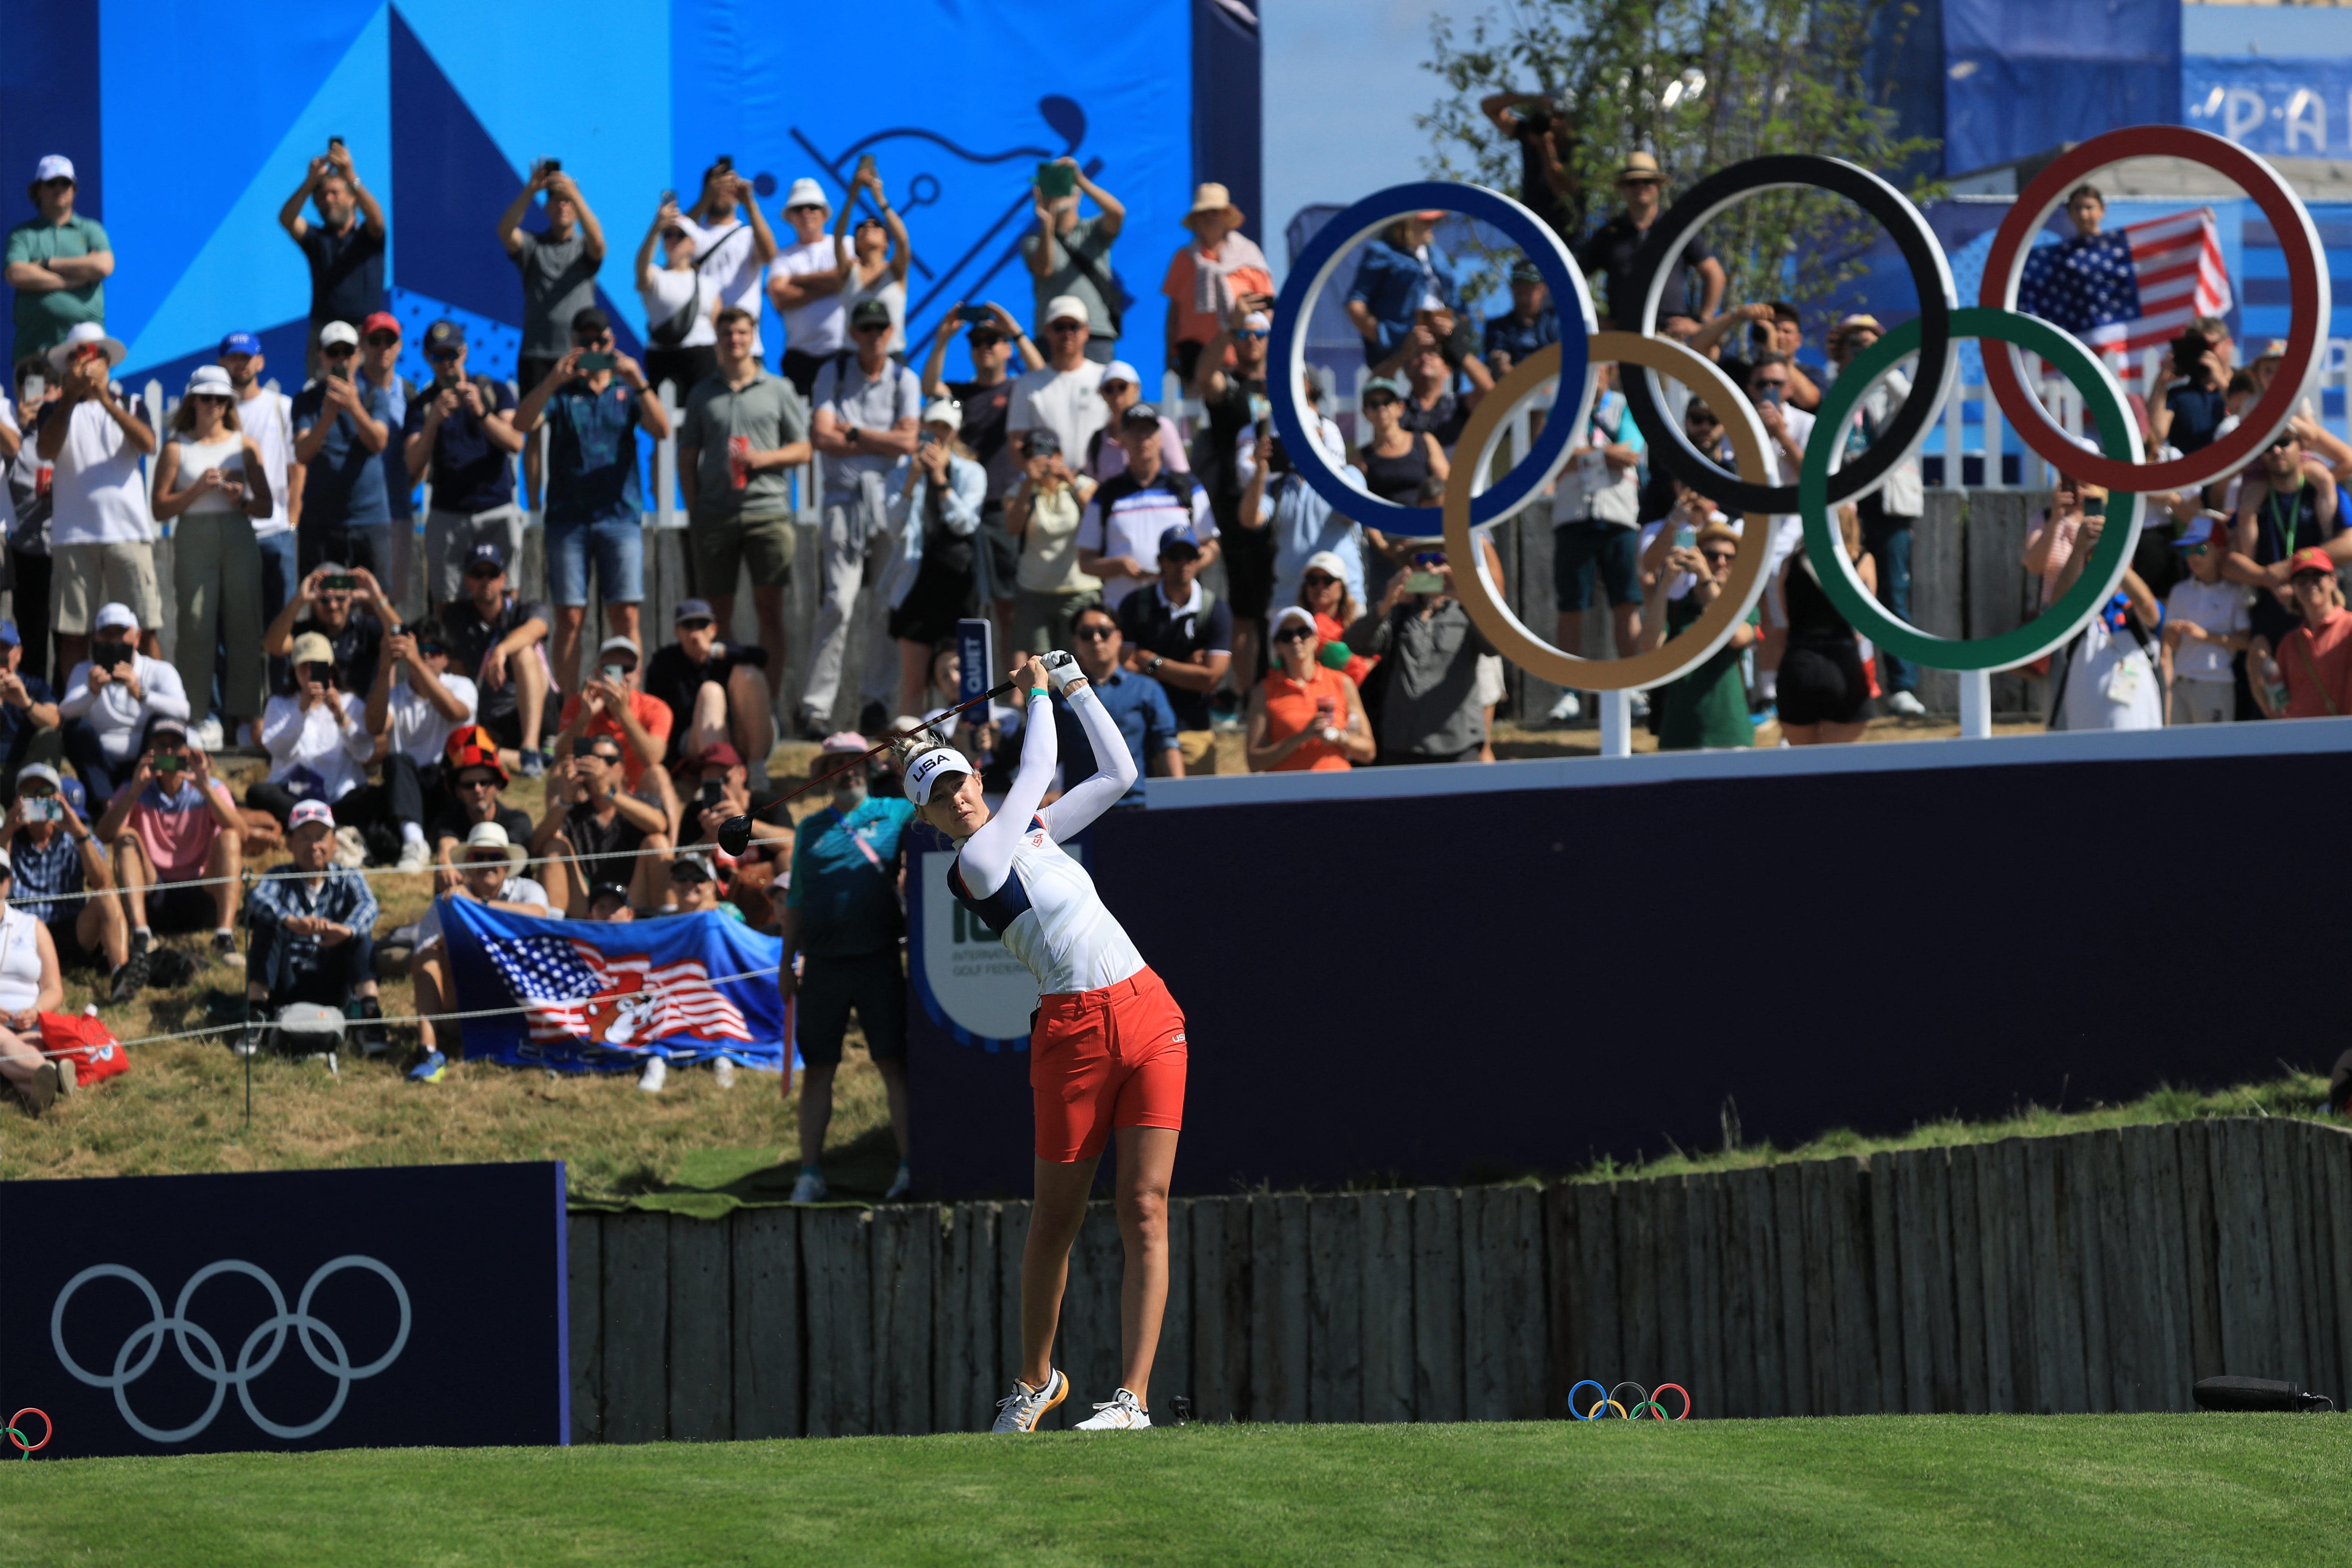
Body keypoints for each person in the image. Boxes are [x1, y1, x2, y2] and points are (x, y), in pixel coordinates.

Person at [900, 653, 1183, 1431]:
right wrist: (1033, 688)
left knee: (1146, 1207)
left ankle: (1132, 1400)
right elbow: (1043, 760)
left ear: (974, 776)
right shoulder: (977, 863)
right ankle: (1035, 1381)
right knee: (1055, 1218)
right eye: (936, 795)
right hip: (1074, 1033)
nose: (956, 797)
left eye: (958, 779)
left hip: (1151, 1012)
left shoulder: (1034, 828)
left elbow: (1119, 770)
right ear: (924, 817)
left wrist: (1078, 683)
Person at [780, 731, 919, 1202]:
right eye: (838, 762)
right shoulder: (809, 828)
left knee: (892, 1065)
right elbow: (795, 900)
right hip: (821, 965)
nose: (849, 769)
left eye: (856, 760)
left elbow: (928, 804)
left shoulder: (894, 810)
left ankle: (907, 1167)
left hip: (878, 957)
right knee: (818, 1069)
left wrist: (905, 754)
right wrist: (786, 962)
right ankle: (810, 1173)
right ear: (824, 774)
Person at [511, 309, 669, 693]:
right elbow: (520, 424)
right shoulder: (562, 395)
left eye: (601, 342)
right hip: (568, 520)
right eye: (586, 342)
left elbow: (662, 430)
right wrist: (552, 380)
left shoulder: (627, 391)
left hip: (621, 517)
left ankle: (628, 706)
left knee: (625, 614)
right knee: (569, 618)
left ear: (613, 343)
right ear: (574, 345)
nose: (594, 348)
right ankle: (567, 712)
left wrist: (640, 381)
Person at [676, 307, 810, 705]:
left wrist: (763, 460)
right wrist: (695, 508)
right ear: (717, 340)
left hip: (768, 512)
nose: (734, 340)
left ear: (753, 336)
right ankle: (737, 698)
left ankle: (766, 702)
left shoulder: (779, 389)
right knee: (717, 615)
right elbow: (687, 456)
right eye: (727, 334)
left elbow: (803, 449)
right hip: (716, 515)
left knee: (770, 610)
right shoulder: (703, 393)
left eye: (741, 332)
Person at [803, 299, 924, 737]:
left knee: (884, 605)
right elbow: (820, 436)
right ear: (854, 332)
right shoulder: (833, 374)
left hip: (890, 501)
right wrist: (880, 442)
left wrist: (852, 433)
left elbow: (910, 440)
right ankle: (816, 707)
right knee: (839, 600)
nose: (874, 334)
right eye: (866, 327)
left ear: (890, 333)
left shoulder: (903, 378)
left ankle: (875, 700)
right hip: (843, 498)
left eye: (880, 328)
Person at [153, 365, 274, 749]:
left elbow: (268, 506)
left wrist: (243, 499)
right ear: (193, 401)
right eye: (207, 398)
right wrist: (196, 490)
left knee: (245, 624)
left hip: (238, 533)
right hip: (193, 535)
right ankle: (197, 716)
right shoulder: (176, 446)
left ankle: (245, 717)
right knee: (195, 625)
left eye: (222, 399)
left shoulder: (244, 444)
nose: (215, 406)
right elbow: (159, 508)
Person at [38, 322, 158, 675]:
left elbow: (148, 444)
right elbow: (46, 451)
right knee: (74, 635)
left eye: (93, 356)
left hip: (128, 533)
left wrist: (105, 399)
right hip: (73, 537)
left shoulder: (132, 403)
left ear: (107, 362)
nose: (86, 363)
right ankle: (74, 720)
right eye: (78, 356)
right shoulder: (54, 410)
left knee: (145, 630)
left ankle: (155, 713)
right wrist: (70, 398)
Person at [1825, 314, 1927, 715]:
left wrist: (1882, 366)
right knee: (1842, 593)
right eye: (1855, 345)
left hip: (1888, 502)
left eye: (1869, 343)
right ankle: (1850, 682)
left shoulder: (1892, 387)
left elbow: (1913, 404)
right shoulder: (1834, 390)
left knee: (1893, 595)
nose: (1862, 351)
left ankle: (1902, 686)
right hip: (1846, 503)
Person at [406, 820, 551, 1083]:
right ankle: (427, 1050)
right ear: (468, 863)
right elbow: (420, 958)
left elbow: (540, 915)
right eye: (478, 856)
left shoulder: (528, 890)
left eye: (494, 856)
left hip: (518, 1004)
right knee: (428, 957)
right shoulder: (447, 903)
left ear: (507, 864)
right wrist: (452, 935)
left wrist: (478, 906)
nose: (486, 863)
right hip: (462, 1002)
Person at [240, 799, 384, 1057]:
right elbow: (257, 899)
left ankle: (371, 1016)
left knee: (359, 932)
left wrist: (345, 930)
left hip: (333, 978)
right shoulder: (278, 875)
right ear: (289, 844)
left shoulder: (348, 876)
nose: (314, 846)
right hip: (287, 978)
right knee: (268, 924)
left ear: (334, 843)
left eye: (321, 838)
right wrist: (291, 921)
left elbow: (370, 906)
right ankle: (256, 1016)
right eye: (305, 838)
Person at [96, 717, 243, 961]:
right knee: (125, 836)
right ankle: (141, 935)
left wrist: (205, 788)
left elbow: (242, 833)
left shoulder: (212, 787)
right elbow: (103, 835)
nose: (168, 751)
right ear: (149, 752)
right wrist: (134, 791)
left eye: (175, 745)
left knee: (229, 837)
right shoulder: (133, 789)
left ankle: (224, 937)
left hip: (202, 891)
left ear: (188, 751)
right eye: (161, 745)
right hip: (156, 894)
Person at [1546, 367, 1646, 720]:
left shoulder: (1625, 406)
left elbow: (1632, 452)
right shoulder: (1562, 410)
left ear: (1611, 373)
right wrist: (1603, 455)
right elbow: (1551, 460)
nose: (1592, 377)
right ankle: (1569, 692)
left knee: (1627, 603)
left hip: (1618, 516)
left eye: (1599, 370)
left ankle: (1635, 686)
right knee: (1571, 607)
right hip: (1573, 518)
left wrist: (1582, 456)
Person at [404, 321, 525, 610]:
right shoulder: (421, 405)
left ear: (465, 353)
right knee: (447, 603)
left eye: (452, 355)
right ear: (427, 358)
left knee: (505, 599)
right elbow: (412, 464)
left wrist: (482, 413)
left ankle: (501, 656)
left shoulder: (495, 390)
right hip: (448, 514)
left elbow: (515, 442)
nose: (446, 364)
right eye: (438, 357)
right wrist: (433, 422)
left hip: (497, 509)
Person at [880, 401, 987, 718]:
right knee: (915, 682)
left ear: (954, 432)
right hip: (916, 585)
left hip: (958, 586)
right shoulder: (900, 474)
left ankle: (966, 756)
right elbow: (893, 529)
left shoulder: (971, 472)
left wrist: (941, 480)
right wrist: (912, 483)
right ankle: (913, 757)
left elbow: (966, 523)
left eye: (945, 427)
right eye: (932, 426)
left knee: (964, 682)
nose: (937, 434)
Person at [1343, 548, 1498, 765]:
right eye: (1420, 560)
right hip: (1402, 743)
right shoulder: (1397, 614)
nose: (1428, 567)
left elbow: (1494, 648)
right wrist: (1387, 603)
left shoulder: (1466, 610)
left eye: (1437, 560)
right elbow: (1356, 644)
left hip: (1457, 743)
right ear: (1409, 569)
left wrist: (1467, 597)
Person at [218, 330, 304, 719]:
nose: (241, 364)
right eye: (234, 358)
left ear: (261, 362)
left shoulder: (280, 406)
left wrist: (292, 518)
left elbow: (295, 466)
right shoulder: (216, 411)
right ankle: (237, 718)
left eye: (247, 357)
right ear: (223, 363)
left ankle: (281, 710)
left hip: (276, 535)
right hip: (232, 536)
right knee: (232, 632)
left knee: (279, 632)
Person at [1188, 305, 1272, 686]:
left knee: (1282, 601)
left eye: (1258, 334)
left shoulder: (1292, 383)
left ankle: (1281, 689)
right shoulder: (1231, 385)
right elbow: (1204, 377)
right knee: (1243, 609)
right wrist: (1229, 326)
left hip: (1282, 504)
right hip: (1236, 507)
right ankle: (1247, 695)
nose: (1251, 341)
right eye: (1244, 336)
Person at [8, 762, 134, 1000]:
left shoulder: (75, 835)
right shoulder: (9, 839)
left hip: (71, 931)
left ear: (58, 798)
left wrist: (78, 832)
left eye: (45, 794)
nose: (38, 801)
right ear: (17, 799)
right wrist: (7, 831)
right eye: (29, 795)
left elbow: (102, 881)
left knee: (106, 897)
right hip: (23, 936)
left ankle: (122, 977)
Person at [1076, 405, 1217, 614]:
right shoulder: (1106, 494)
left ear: (1161, 439)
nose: (1142, 438)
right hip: (1121, 609)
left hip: (1177, 611)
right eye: (1134, 432)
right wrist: (1119, 566)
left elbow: (1211, 546)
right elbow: (1086, 561)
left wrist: (1180, 569)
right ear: (1122, 440)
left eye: (1149, 431)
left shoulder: (1188, 487)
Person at [2232, 430, 2349, 679]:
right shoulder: (2253, 499)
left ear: (2301, 447)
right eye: (2268, 445)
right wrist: (2267, 578)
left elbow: (2350, 543)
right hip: (2272, 619)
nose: (2276, 451)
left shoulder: (2320, 488)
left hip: (2322, 614)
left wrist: (2290, 570)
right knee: (2270, 690)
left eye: (2284, 443)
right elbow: (2230, 563)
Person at [361, 620, 476, 871]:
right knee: (396, 762)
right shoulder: (397, 694)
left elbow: (455, 712)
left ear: (446, 659)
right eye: (419, 649)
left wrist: (415, 662)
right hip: (407, 789)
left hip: (446, 786)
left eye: (433, 652)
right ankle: (414, 842)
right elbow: (374, 726)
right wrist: (384, 669)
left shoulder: (461, 686)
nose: (425, 656)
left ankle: (418, 839)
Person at [290, 320, 396, 579]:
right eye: (333, 352)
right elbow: (302, 453)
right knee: (327, 600)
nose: (340, 359)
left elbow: (379, 442)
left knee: (373, 600)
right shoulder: (307, 400)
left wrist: (353, 406)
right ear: (321, 357)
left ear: (358, 355)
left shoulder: (374, 396)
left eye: (347, 352)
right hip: (322, 522)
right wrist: (327, 416)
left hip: (370, 518)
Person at [1117, 527, 1231, 768]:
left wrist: (1154, 664)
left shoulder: (1215, 610)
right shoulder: (1135, 605)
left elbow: (1211, 679)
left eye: (1190, 556)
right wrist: (1187, 672)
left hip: (1194, 730)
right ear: (1161, 562)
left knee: (1195, 803)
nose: (1183, 563)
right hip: (1141, 730)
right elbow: (1124, 667)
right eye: (1174, 556)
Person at [59, 603, 188, 811]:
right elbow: (64, 714)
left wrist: (141, 694)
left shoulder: (160, 671)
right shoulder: (84, 671)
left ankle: (160, 800)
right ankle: (107, 807)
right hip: (100, 767)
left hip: (146, 762)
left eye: (121, 634)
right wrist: (92, 692)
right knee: (76, 728)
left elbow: (184, 712)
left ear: (137, 638)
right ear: (95, 639)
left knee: (166, 725)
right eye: (107, 634)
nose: (114, 641)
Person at [496, 162, 607, 407]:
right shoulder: (533, 246)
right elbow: (505, 231)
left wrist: (574, 194)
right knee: (535, 427)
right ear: (546, 207)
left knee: (586, 417)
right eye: (557, 200)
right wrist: (531, 190)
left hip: (584, 354)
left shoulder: (584, 248)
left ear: (578, 207)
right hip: (536, 353)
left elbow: (599, 244)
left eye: (568, 200)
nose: (563, 205)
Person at [1573, 151, 1725, 328]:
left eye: (1647, 181)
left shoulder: (1677, 228)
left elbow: (1714, 274)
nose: (1640, 187)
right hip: (1623, 333)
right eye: (1632, 182)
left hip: (1670, 331)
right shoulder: (1609, 234)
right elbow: (1576, 278)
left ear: (1658, 186)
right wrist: (1596, 320)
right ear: (1623, 188)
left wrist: (1701, 321)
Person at [1641, 520, 1756, 751]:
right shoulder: (1676, 608)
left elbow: (1738, 636)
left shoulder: (1741, 605)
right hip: (1679, 734)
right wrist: (1664, 584)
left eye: (1729, 557)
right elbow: (1649, 647)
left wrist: (1706, 578)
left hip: (1729, 732)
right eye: (1712, 556)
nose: (1721, 562)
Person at [437, 542, 551, 774]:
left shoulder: (526, 610)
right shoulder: (457, 617)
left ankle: (530, 748)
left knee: (524, 651)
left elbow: (538, 628)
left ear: (503, 579)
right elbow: (456, 670)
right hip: (489, 717)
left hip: (536, 713)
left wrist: (501, 651)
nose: (486, 581)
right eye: (478, 574)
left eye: (493, 574)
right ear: (467, 580)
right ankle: (532, 758)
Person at [1053, 605, 1180, 807]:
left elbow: (1166, 744)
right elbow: (1047, 755)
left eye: (1104, 632)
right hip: (1079, 812)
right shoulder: (1059, 697)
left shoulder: (1146, 689)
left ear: (1119, 637)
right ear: (1076, 642)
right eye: (1087, 634)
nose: (1097, 639)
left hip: (1137, 806)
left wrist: (1178, 800)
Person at [532, 735, 672, 917]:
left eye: (609, 761)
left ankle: (671, 926)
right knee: (555, 846)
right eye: (594, 760)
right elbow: (536, 848)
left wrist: (607, 793)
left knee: (658, 842)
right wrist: (566, 799)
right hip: (588, 903)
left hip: (633, 901)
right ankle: (553, 934)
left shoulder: (643, 801)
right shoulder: (573, 812)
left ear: (622, 768)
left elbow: (659, 825)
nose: (601, 767)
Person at [1774, 506, 1878, 746]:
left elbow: (1785, 620)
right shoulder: (1863, 561)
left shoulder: (1789, 563)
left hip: (1798, 661)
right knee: (1840, 765)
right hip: (1843, 662)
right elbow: (1865, 623)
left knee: (1804, 764)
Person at [278, 145, 387, 371]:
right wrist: (311, 182)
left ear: (352, 199)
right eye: (322, 195)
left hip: (365, 334)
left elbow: (377, 221)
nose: (328, 199)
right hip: (325, 334)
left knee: (367, 398)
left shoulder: (368, 236)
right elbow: (287, 219)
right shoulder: (317, 239)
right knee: (319, 399)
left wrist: (349, 175)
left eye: (335, 193)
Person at [248, 631, 373, 829]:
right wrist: (301, 710)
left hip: (339, 795)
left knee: (371, 796)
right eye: (303, 667)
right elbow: (277, 750)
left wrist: (341, 717)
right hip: (293, 793)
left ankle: (319, 823)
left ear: (330, 670)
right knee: (258, 793)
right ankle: (314, 822)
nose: (310, 673)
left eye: (317, 667)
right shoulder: (279, 704)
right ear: (294, 670)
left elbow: (364, 754)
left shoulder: (350, 703)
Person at [7, 155, 113, 370]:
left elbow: (103, 266)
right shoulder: (23, 234)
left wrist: (47, 264)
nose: (60, 188)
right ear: (38, 190)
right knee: (34, 405)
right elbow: (16, 274)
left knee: (88, 405)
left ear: (74, 189)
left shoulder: (91, 230)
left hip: (85, 354)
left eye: (65, 183)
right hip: (35, 354)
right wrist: (71, 281)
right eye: (51, 183)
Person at [643, 598, 774, 774]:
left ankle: (757, 768)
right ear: (677, 632)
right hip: (695, 739)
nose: (696, 633)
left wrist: (715, 652)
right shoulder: (665, 662)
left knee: (749, 672)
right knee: (711, 692)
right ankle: (716, 778)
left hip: (743, 735)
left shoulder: (725, 652)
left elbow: (762, 657)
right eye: (688, 625)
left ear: (714, 630)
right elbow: (657, 710)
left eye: (702, 625)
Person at [1245, 433, 1366, 622]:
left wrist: (1318, 466)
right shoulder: (1277, 485)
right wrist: (1261, 469)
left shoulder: (1348, 474)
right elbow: (1250, 520)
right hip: (1288, 601)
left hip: (1343, 603)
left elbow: (1353, 513)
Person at [1004, 430, 1101, 655]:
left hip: (1080, 590)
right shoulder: (1017, 492)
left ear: (1060, 455)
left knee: (1079, 666)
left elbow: (1098, 520)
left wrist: (1070, 480)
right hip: (1034, 592)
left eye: (1047, 452)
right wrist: (1029, 483)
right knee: (1041, 665)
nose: (1040, 459)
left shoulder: (1084, 485)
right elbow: (1013, 527)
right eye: (1031, 454)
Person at [1027, 157, 1128, 366]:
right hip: (1051, 336)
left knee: (1099, 397)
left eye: (1063, 186)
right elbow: (1044, 268)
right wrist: (1047, 221)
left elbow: (1118, 214)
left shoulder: (1094, 231)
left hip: (1095, 332)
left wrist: (1081, 180)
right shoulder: (1033, 241)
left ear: (1078, 195)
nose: (1057, 194)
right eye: (1051, 188)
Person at [678, 159, 780, 365]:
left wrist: (750, 204)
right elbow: (674, 232)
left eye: (729, 186)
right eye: (718, 186)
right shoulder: (691, 234)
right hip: (701, 343)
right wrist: (706, 198)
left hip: (745, 344)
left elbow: (770, 256)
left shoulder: (749, 233)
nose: (723, 192)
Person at [1247, 605, 1373, 771]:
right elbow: (1254, 762)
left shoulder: (1342, 682)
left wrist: (1340, 737)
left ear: (1316, 640)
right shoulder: (1264, 692)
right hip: (1290, 791)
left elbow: (1369, 752)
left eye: (1303, 632)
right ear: (1277, 646)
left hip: (1338, 789)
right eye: (1286, 636)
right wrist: (1302, 737)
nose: (1296, 640)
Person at [551, 634, 675, 797]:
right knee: (560, 768)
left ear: (638, 675)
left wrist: (623, 713)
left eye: (627, 670)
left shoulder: (656, 708)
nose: (621, 676)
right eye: (612, 669)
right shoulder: (580, 703)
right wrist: (584, 718)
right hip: (590, 794)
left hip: (636, 796)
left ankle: (672, 825)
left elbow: (653, 758)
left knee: (658, 774)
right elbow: (561, 752)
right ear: (598, 673)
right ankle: (557, 823)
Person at [2163, 514, 2252, 726]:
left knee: (2215, 752)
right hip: (2181, 681)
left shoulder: (2234, 592)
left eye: (2201, 549)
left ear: (2220, 550)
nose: (2193, 556)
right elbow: (2173, 645)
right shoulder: (2179, 591)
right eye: (2187, 550)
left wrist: (2205, 636)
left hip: (2215, 681)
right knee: (2181, 753)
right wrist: (2170, 635)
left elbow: (2246, 641)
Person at [6, 359, 64, 686]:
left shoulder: (70, 428)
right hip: (26, 551)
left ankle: (62, 711)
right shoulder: (13, 435)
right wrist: (16, 429)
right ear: (18, 392)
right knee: (31, 634)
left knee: (67, 634)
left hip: (65, 548)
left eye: (47, 390)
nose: (40, 398)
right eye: (31, 390)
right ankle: (30, 708)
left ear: (59, 392)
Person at [0, 850, 69, 1115]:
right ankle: (54, 1077)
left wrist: (37, 1010)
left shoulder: (32, 927)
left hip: (30, 1024)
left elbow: (54, 988)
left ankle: (38, 1087)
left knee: (27, 1050)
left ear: (9, 882)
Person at [1345, 211, 1459, 370]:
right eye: (1426, 221)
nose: (1432, 226)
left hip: (1438, 350)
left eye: (1435, 221)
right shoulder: (1382, 252)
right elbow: (1356, 303)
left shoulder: (1437, 255)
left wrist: (1452, 330)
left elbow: (1456, 302)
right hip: (1399, 350)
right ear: (1406, 222)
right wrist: (1384, 336)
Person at [427, 726, 534, 897]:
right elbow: (446, 841)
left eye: (485, 783)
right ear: (459, 792)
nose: (478, 790)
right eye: (469, 785)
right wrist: (445, 860)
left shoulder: (518, 821)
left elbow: (502, 863)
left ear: (498, 786)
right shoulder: (449, 821)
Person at [1005, 296, 1109, 470]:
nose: (1067, 333)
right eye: (1060, 327)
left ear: (1086, 331)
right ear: (1047, 331)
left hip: (1098, 485)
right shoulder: (1028, 384)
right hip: (1049, 485)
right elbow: (1016, 440)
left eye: (1074, 327)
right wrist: (1035, 475)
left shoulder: (1105, 378)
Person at [767, 177, 849, 397]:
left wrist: (796, 280)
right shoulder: (783, 257)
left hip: (843, 353)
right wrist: (832, 284)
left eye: (813, 207)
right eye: (799, 208)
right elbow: (780, 296)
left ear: (824, 213)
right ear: (790, 216)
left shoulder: (845, 245)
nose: (806, 212)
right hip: (800, 358)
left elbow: (846, 278)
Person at [265, 564, 390, 702]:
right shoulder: (306, 631)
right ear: (313, 602)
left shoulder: (366, 628)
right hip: (315, 713)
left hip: (359, 714)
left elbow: (404, 638)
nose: (333, 606)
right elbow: (273, 647)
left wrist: (378, 598)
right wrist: (299, 599)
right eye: (325, 600)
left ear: (351, 598)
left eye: (341, 598)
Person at [637, 196, 718, 398]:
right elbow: (641, 268)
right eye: (668, 234)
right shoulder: (656, 275)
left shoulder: (708, 283)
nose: (673, 239)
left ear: (693, 244)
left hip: (702, 357)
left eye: (680, 235)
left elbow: (716, 323)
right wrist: (656, 229)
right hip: (664, 357)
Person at [1479, 93, 1582, 243]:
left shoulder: (1580, 150)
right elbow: (1488, 107)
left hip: (1564, 237)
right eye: (1551, 115)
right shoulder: (1532, 133)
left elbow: (1564, 192)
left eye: (1560, 116)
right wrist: (1530, 99)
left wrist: (1546, 147)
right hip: (1530, 229)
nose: (1553, 122)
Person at [832, 163, 913, 355]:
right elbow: (838, 238)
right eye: (862, 227)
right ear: (855, 243)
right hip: (853, 359)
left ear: (887, 243)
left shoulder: (895, 272)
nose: (869, 227)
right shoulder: (848, 272)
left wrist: (881, 200)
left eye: (877, 226)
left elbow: (903, 241)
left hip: (892, 358)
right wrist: (852, 197)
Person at [2269, 547, 2352, 718]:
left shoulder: (2350, 627)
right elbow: (2280, 702)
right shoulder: (2289, 643)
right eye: (2302, 580)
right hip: (2302, 741)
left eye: (2317, 578)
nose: (2310, 585)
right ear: (2293, 588)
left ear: (2333, 581)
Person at [1083, 361, 1189, 483]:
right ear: (1102, 394)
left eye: (1123, 387)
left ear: (1136, 389)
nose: (1117, 395)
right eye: (1109, 389)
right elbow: (1093, 489)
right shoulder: (1097, 440)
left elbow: (1182, 478)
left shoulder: (1162, 427)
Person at [1351, 379, 1448, 508]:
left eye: (1387, 402)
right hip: (1384, 525)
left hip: (1425, 522)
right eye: (1374, 404)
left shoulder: (1424, 442)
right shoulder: (1361, 458)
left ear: (1400, 408)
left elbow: (1447, 486)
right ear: (1366, 413)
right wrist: (1372, 528)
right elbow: (1359, 504)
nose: (1382, 408)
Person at [2149, 317, 2234, 459]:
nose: (2203, 353)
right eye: (2196, 348)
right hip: (2190, 470)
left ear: (2228, 344)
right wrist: (2161, 383)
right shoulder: (2178, 394)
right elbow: (2157, 435)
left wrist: (2221, 381)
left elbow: (2248, 418)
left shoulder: (2245, 381)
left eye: (2210, 346)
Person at [0, 621, 59, 788]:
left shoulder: (34, 686)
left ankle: (37, 808)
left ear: (19, 654)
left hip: (25, 778)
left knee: (50, 735)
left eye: (4, 648)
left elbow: (55, 722)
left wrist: (25, 702)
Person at [1483, 261, 1562, 383]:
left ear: (1543, 288)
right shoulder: (1499, 327)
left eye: (1530, 288)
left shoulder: (1557, 323)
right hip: (1516, 393)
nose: (1524, 294)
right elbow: (1499, 360)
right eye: (1519, 287)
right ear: (1512, 288)